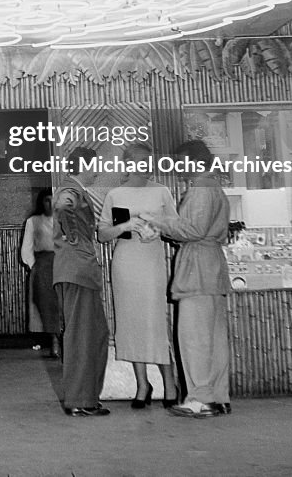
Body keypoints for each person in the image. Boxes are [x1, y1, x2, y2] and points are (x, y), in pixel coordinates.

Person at [140, 138, 231, 420]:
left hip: (198, 269)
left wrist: (157, 221)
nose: (178, 168)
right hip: (211, 267)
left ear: (193, 161)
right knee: (213, 339)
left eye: (180, 162)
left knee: (194, 338)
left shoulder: (201, 189)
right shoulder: (213, 186)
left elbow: (191, 229)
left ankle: (200, 399)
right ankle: (218, 397)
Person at [97, 144, 180, 408]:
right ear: (128, 163)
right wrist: (125, 225)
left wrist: (160, 230)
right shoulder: (116, 194)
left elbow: (176, 229)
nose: (145, 165)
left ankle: (170, 383)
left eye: (149, 161)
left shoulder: (162, 191)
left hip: (151, 260)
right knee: (130, 322)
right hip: (125, 260)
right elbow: (102, 234)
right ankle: (142, 384)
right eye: (140, 161)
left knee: (155, 320)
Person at [52, 146, 110, 417]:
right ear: (85, 165)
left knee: (93, 334)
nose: (97, 171)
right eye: (95, 166)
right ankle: (79, 400)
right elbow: (63, 207)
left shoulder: (75, 190)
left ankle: (86, 397)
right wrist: (74, 237)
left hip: (78, 271)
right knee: (82, 337)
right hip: (77, 271)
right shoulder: (70, 190)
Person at [20, 189, 61, 358]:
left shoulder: (64, 220)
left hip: (63, 264)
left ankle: (66, 341)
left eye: (53, 200)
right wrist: (34, 266)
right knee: (48, 306)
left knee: (63, 304)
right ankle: (54, 340)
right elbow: (26, 248)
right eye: (46, 200)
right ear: (41, 202)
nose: (50, 204)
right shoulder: (33, 221)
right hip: (43, 267)